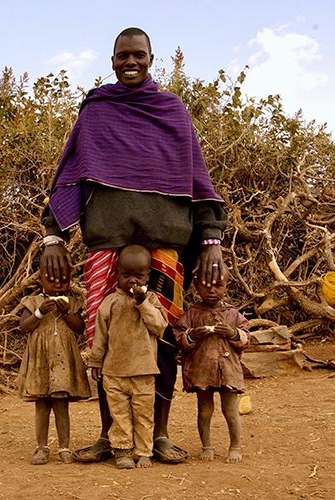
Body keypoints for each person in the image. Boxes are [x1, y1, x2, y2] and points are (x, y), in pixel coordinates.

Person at [41, 26, 228, 464]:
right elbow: (70, 175)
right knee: (107, 342)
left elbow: (199, 183)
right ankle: (111, 435)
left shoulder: (172, 111)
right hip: (108, 247)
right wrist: (53, 235)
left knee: (161, 343)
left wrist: (212, 240)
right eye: (122, 55)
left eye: (138, 55)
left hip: (165, 250)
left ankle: (157, 435)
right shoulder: (96, 111)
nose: (130, 62)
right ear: (111, 61)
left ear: (150, 58)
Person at [88, 245, 168, 469]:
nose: (132, 280)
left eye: (139, 276)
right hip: (114, 371)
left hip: (143, 371)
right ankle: (122, 451)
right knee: (119, 415)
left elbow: (159, 326)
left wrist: (142, 303)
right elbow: (100, 336)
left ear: (147, 276)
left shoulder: (151, 301)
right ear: (117, 273)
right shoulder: (110, 302)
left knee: (143, 414)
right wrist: (96, 361)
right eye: (126, 275)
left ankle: (144, 452)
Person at [18, 265, 91, 465]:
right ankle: (41, 448)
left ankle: (64, 447)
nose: (58, 285)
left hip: (63, 363)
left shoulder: (73, 303)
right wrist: (40, 313)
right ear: (41, 280)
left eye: (64, 280)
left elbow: (80, 328)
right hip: (41, 361)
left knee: (61, 405)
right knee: (41, 406)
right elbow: (24, 327)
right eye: (51, 280)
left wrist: (67, 313)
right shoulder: (32, 302)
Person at [173, 272, 249, 463]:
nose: (212, 290)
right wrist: (192, 335)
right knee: (205, 410)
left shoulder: (232, 314)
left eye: (218, 285)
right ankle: (207, 445)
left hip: (228, 369)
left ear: (226, 286)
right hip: (202, 370)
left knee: (230, 410)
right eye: (206, 285)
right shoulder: (192, 313)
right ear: (196, 287)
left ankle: (235, 446)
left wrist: (233, 333)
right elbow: (179, 336)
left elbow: (246, 338)